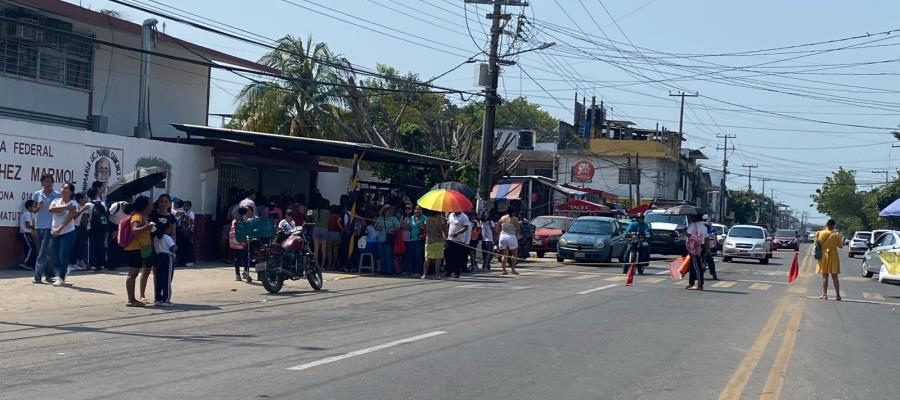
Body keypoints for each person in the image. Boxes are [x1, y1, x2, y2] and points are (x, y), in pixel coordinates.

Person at [49, 183, 85, 287]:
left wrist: (60, 228)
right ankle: (65, 268)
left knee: (63, 255)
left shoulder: (74, 203)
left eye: (66, 188)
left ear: (71, 192)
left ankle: (61, 277)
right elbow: (51, 209)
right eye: (62, 188)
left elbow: (70, 218)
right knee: (53, 255)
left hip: (68, 232)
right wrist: (65, 207)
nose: (63, 190)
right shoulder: (56, 201)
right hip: (54, 231)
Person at [123, 196, 154, 306]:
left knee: (133, 274)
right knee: (132, 274)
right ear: (145, 206)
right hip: (134, 248)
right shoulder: (137, 217)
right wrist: (147, 227)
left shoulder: (142, 216)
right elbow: (134, 230)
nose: (152, 205)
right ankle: (131, 300)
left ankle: (132, 299)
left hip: (137, 248)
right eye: (150, 204)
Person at [32, 173, 60, 284]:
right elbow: (33, 210)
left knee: (43, 251)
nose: (48, 184)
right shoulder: (37, 194)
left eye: (50, 181)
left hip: (50, 226)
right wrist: (38, 207)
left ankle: (37, 275)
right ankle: (50, 275)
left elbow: (59, 210)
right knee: (43, 252)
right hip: (39, 226)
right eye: (46, 181)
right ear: (42, 183)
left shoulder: (57, 195)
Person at [815, 219, 844, 301]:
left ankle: (825, 295)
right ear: (833, 226)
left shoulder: (819, 233)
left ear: (826, 225)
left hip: (823, 255)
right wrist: (842, 239)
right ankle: (838, 295)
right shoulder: (836, 235)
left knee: (825, 276)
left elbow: (816, 243)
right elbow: (841, 246)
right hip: (834, 256)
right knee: (835, 277)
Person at [68, 192, 92, 272]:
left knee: (78, 245)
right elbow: (74, 217)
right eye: (85, 198)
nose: (86, 199)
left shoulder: (80, 206)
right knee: (73, 246)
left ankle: (75, 262)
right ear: (81, 199)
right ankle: (70, 264)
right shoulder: (77, 206)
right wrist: (83, 209)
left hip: (78, 227)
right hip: (73, 227)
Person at [87, 187, 109, 272]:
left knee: (92, 247)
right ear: (96, 194)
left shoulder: (88, 205)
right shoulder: (102, 204)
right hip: (102, 229)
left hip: (92, 228)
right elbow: (107, 215)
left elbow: (85, 217)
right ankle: (101, 264)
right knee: (101, 246)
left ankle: (93, 265)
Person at [374, 205, 400, 274]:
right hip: (381, 239)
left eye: (391, 210)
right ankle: (383, 270)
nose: (390, 211)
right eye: (388, 210)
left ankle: (389, 271)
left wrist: (392, 229)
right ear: (384, 211)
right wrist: (378, 228)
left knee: (388, 255)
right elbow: (375, 227)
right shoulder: (380, 218)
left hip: (388, 239)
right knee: (382, 255)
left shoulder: (394, 219)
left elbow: (398, 227)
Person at [685, 214, 709, 291]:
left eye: (691, 217)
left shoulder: (692, 225)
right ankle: (691, 283)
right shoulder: (704, 227)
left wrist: (685, 231)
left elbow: (688, 234)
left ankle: (700, 284)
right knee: (692, 265)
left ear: (695, 217)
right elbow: (706, 238)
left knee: (696, 266)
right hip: (701, 246)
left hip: (694, 248)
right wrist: (707, 249)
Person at [152, 232, 176, 307]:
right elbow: (173, 248)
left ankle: (158, 298)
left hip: (158, 257)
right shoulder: (167, 237)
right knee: (167, 279)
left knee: (158, 279)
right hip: (167, 257)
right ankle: (166, 299)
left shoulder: (155, 237)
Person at [445, 210, 471, 278]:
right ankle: (449, 270)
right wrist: (447, 233)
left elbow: (466, 227)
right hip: (450, 239)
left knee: (457, 257)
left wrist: (457, 233)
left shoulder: (464, 216)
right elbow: (448, 224)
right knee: (448, 255)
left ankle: (456, 272)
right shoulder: (451, 215)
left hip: (459, 240)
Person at [230, 207, 252, 283]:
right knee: (246, 257)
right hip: (242, 241)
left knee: (237, 258)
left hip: (234, 241)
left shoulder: (234, 220)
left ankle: (237, 275)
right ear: (245, 213)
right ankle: (245, 270)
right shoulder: (245, 221)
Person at [422, 210, 446, 279]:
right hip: (438, 240)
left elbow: (425, 230)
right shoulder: (441, 219)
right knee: (437, 259)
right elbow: (445, 230)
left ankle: (424, 274)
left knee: (427, 258)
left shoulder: (427, 219)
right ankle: (437, 275)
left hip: (429, 240)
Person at [405, 205, 427, 277]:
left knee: (418, 256)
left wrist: (420, 224)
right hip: (411, 239)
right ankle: (410, 271)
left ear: (422, 211)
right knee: (411, 256)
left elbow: (426, 228)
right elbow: (409, 227)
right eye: (416, 209)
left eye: (419, 209)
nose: (417, 211)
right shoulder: (412, 217)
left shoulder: (424, 218)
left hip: (419, 239)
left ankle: (418, 272)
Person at [496, 210, 520, 275]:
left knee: (504, 255)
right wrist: (517, 234)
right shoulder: (515, 219)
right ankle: (513, 269)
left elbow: (498, 228)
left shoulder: (502, 218)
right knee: (514, 254)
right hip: (511, 236)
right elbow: (518, 228)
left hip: (503, 236)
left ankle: (504, 270)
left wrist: (497, 237)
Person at [311, 199, 330, 270]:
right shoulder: (327, 212)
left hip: (316, 229)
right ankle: (322, 266)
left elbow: (311, 220)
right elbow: (327, 222)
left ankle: (316, 265)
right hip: (324, 229)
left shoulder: (313, 212)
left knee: (316, 249)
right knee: (323, 249)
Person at [19, 200, 38, 270]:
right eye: (34, 206)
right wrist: (36, 228)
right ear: (30, 207)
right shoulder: (27, 214)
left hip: (28, 233)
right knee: (31, 247)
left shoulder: (30, 214)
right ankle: (26, 263)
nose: (35, 207)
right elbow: (27, 225)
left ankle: (29, 264)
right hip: (25, 233)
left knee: (29, 248)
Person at [327, 205, 343, 270]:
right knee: (335, 252)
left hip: (330, 233)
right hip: (337, 234)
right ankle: (334, 266)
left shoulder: (329, 216)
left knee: (329, 252)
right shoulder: (339, 216)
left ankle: (329, 266)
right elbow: (340, 226)